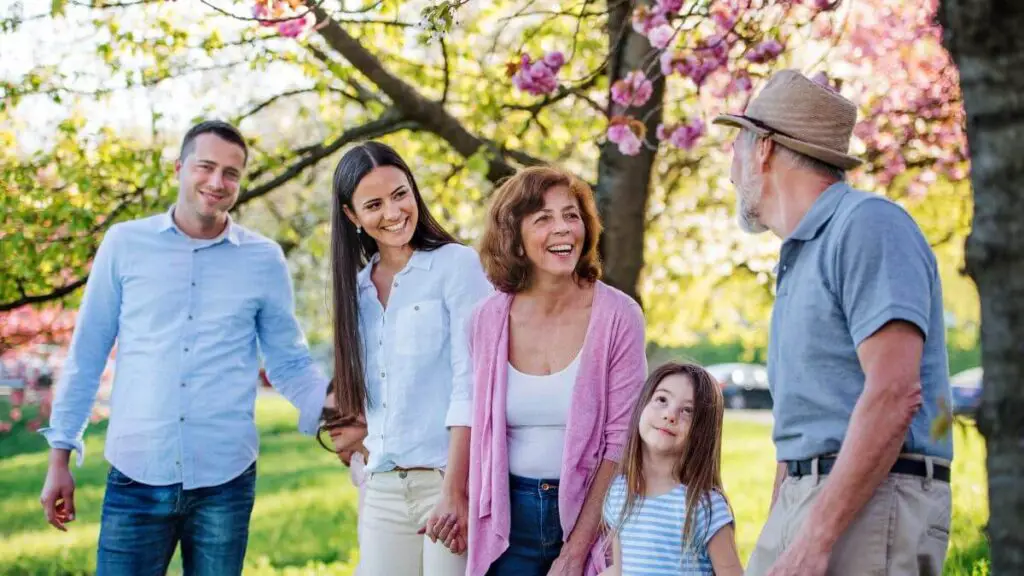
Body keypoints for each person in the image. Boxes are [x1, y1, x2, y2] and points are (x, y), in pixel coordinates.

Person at [38, 120, 331, 575]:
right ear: (179, 168)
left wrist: (337, 413)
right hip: (136, 474)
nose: (217, 182)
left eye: (231, 173)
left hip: (225, 480)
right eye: (206, 166)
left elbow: (288, 360)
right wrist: (60, 455)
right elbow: (87, 354)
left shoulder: (263, 259)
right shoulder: (124, 244)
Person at [713, 69, 953, 575]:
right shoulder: (800, 254)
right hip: (811, 499)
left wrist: (815, 539)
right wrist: (785, 524)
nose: (730, 168)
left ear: (765, 150)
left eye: (736, 145)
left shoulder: (868, 225)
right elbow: (803, 424)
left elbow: (894, 393)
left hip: (873, 501)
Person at [466, 166, 647, 576]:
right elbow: (475, 427)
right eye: (543, 218)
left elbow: (621, 443)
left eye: (571, 215)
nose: (563, 229)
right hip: (507, 525)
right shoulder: (486, 319)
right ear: (513, 234)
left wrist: (574, 551)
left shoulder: (619, 316)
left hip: (591, 516)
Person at [324, 141, 492, 575]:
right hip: (383, 486)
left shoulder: (456, 266)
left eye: (400, 194)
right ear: (351, 216)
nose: (394, 212)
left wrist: (457, 490)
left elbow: (471, 383)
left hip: (447, 479)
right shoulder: (355, 292)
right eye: (374, 204)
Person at [600, 362, 742, 576]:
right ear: (642, 406)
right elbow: (621, 570)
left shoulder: (705, 506)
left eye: (687, 411)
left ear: (702, 431)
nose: (670, 415)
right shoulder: (620, 493)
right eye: (662, 400)